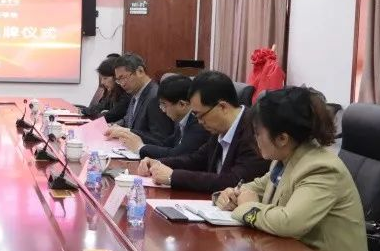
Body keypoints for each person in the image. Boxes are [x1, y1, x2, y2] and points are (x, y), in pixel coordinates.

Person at [215, 87, 368, 251]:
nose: (255, 139)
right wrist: (231, 194)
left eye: (258, 133)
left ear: (282, 139)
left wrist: (247, 207)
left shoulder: (320, 168)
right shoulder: (284, 159)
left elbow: (290, 222)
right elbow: (254, 187)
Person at [136, 71, 269, 192]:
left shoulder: (254, 131)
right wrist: (158, 163)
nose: (199, 122)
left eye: (200, 115)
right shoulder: (219, 128)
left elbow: (234, 181)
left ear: (222, 107)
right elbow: (197, 159)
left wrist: (173, 176)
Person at [113, 75, 209, 158]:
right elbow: (164, 144)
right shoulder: (182, 121)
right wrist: (133, 136)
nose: (162, 110)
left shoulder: (198, 124)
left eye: (164, 105)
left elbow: (177, 154)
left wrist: (140, 147)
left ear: (182, 104)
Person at [104, 54, 174, 145]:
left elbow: (160, 138)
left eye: (123, 78)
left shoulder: (155, 97)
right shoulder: (135, 93)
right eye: (118, 80)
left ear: (140, 71)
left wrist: (127, 132)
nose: (122, 84)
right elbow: (128, 120)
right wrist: (112, 126)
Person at [83, 58, 131, 123]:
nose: (102, 82)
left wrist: (102, 113)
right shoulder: (112, 93)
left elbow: (110, 116)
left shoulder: (126, 94)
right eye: (101, 78)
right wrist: (83, 110)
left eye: (105, 78)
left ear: (116, 77)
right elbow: (99, 107)